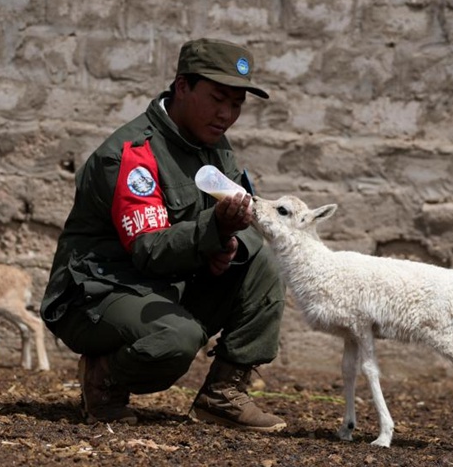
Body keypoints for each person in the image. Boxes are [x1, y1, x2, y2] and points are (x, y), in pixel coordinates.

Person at [41, 38, 287, 432]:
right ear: (182, 86)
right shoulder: (132, 154)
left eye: (237, 104)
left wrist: (226, 245)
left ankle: (223, 393)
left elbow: (213, 226)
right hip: (98, 292)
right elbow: (149, 249)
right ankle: (103, 378)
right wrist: (214, 231)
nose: (227, 114)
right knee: (175, 339)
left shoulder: (213, 144)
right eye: (217, 98)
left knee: (260, 258)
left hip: (164, 282)